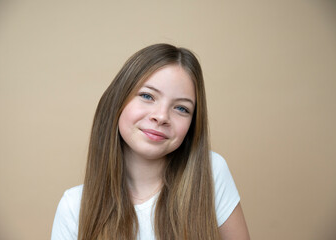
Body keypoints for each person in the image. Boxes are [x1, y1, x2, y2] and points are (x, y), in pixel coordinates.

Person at [51, 43, 250, 240]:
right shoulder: (73, 207)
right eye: (147, 96)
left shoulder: (211, 172)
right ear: (117, 101)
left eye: (181, 108)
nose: (162, 116)